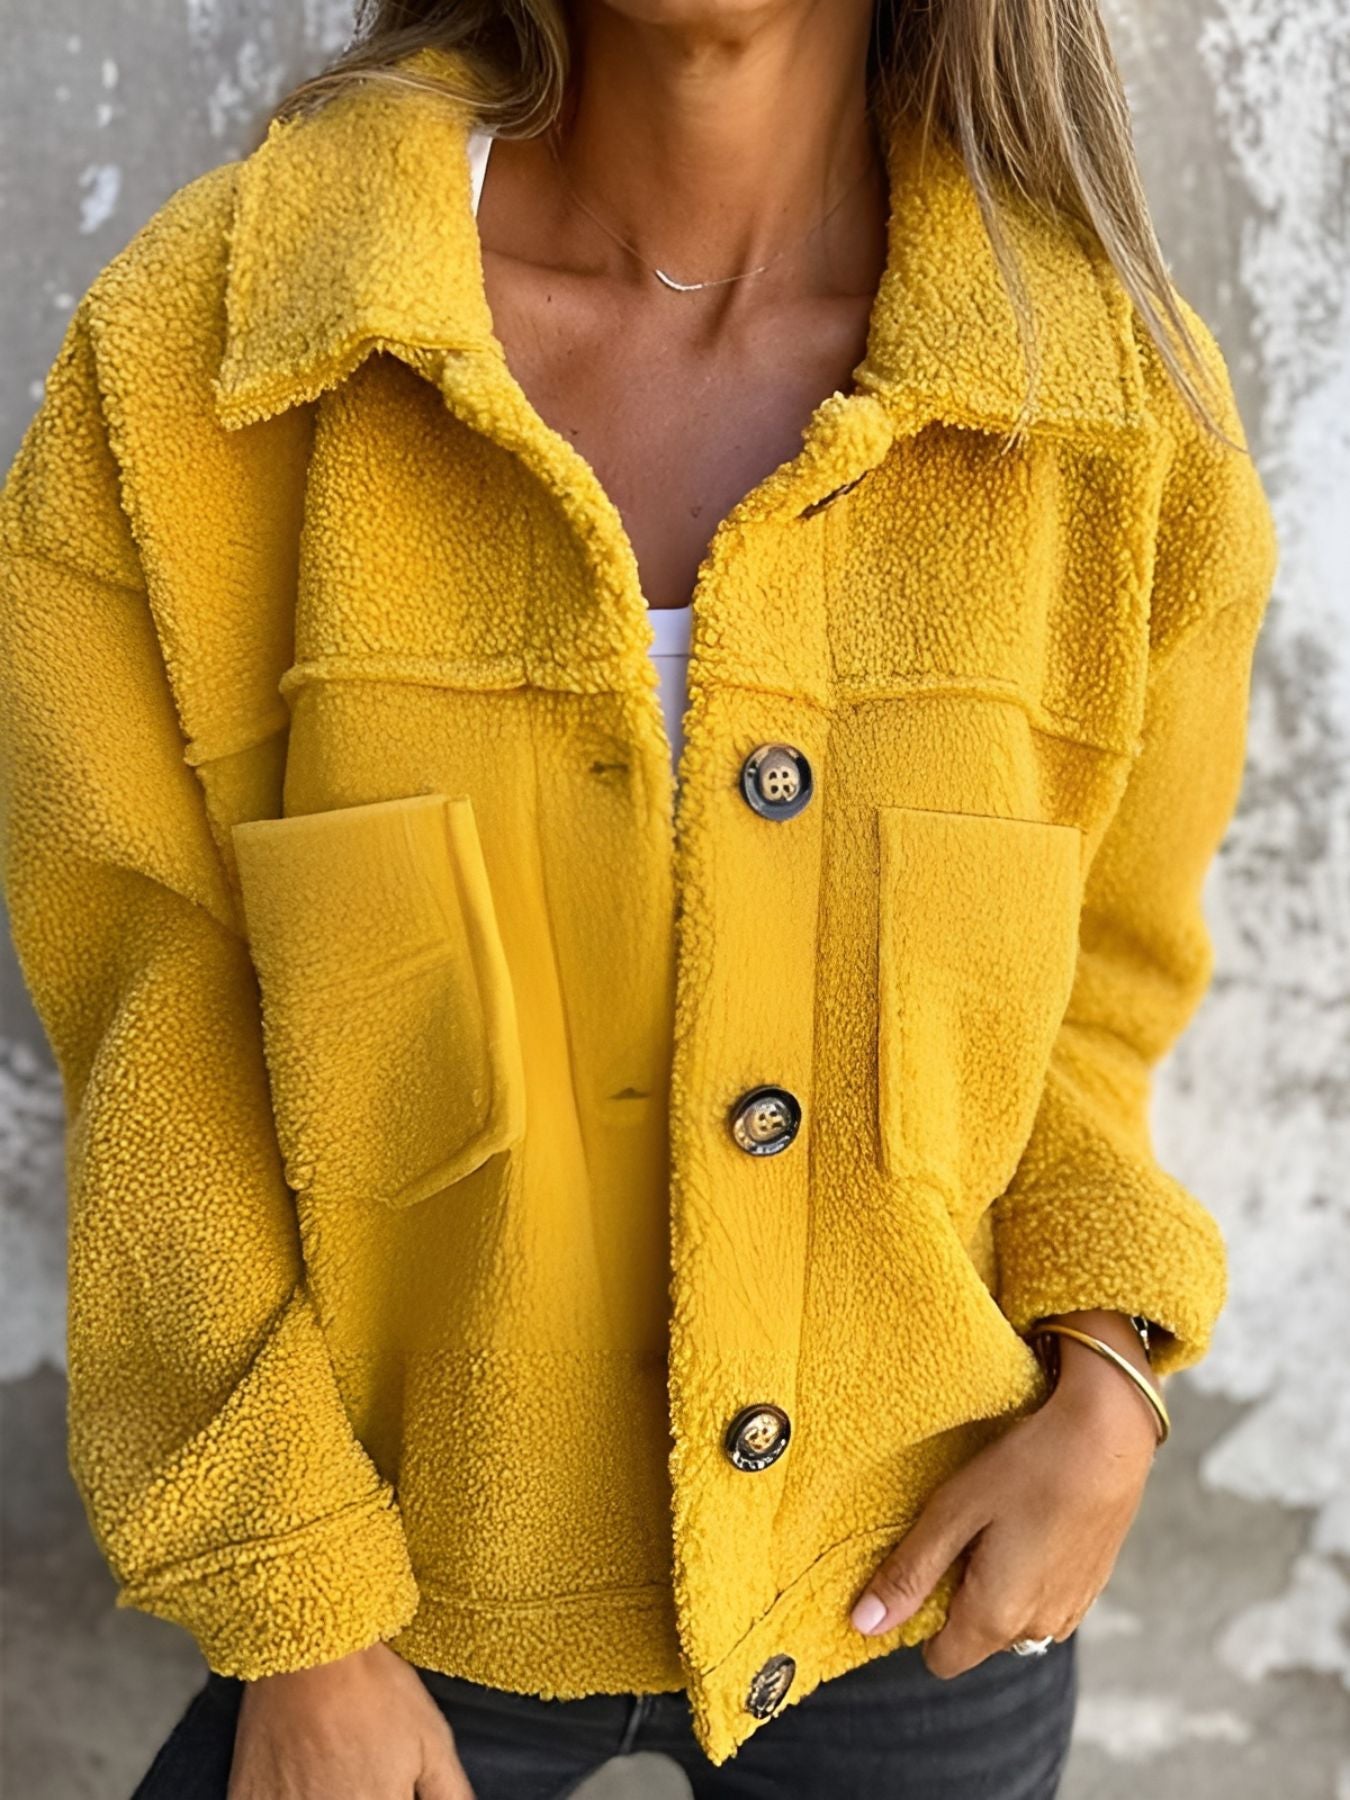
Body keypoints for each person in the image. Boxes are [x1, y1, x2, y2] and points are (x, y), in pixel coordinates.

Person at [0, 3, 1278, 1797]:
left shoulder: (1109, 410)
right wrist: (300, 1617)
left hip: (910, 1571)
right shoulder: (213, 357)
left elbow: (1096, 997)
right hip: (394, 1598)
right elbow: (153, 1024)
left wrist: (1108, 1382)